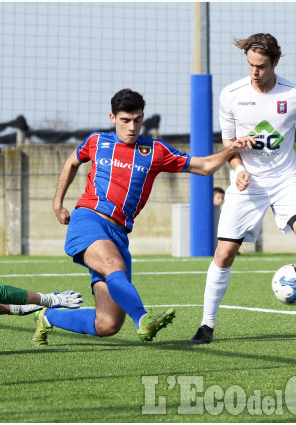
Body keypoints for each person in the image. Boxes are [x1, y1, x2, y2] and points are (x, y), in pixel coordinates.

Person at [33, 88, 250, 346]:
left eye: (137, 120)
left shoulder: (155, 150)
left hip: (119, 234)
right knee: (115, 267)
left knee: (108, 324)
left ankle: (49, 317)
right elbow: (71, 162)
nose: (132, 127)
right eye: (125, 120)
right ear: (112, 118)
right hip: (88, 220)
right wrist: (58, 203)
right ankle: (143, 321)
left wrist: (231, 150)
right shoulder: (97, 142)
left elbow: (203, 167)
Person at [190, 33, 296, 345]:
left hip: (284, 179)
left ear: (275, 62)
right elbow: (228, 141)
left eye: (261, 66)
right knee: (224, 254)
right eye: (250, 64)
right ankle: (206, 325)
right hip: (247, 182)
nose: (255, 72)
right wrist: (237, 169)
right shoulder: (232, 95)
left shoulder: (295, 95)